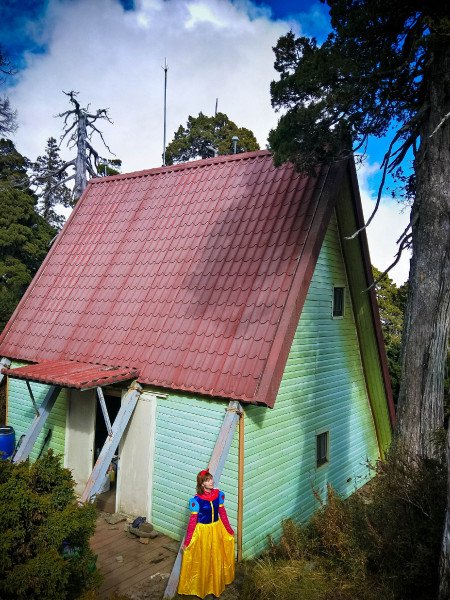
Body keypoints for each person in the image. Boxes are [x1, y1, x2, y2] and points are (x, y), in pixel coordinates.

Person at [177, 469, 235, 598]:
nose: (212, 481)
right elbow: (192, 522)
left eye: (211, 479)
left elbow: (223, 514)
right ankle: (203, 586)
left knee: (216, 556)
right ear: (202, 484)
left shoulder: (218, 495)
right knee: (204, 558)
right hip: (203, 531)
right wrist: (187, 541)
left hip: (216, 529)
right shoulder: (196, 500)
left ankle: (216, 584)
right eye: (208, 480)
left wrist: (229, 529)